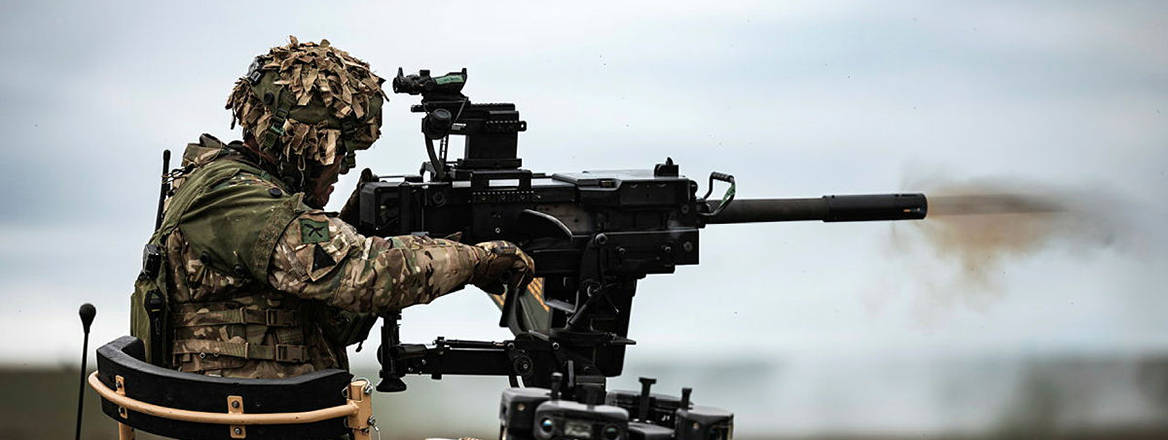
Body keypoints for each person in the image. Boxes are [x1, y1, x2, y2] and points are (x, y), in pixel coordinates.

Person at [131, 36, 533, 379]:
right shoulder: (232, 198)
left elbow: (332, 316)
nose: (345, 166)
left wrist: (356, 226)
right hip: (254, 420)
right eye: (341, 150)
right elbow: (361, 276)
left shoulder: (233, 188)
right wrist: (477, 261)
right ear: (303, 143)